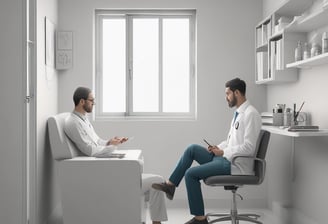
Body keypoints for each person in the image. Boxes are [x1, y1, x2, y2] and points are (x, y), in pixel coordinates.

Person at [152, 78, 262, 224]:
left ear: (237, 92)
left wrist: (223, 153)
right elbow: (230, 142)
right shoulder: (239, 113)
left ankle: (200, 219)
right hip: (226, 159)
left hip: (236, 166)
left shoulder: (251, 114)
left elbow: (249, 148)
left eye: (228, 94)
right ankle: (170, 185)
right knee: (192, 149)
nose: (226, 98)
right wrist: (219, 147)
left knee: (190, 174)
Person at [64, 86, 168, 224]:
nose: (94, 103)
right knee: (158, 181)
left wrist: (109, 142)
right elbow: (89, 150)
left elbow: (96, 141)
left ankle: (151, 219)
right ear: (82, 101)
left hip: (104, 163)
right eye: (91, 100)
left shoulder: (83, 119)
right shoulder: (72, 122)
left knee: (155, 184)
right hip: (102, 171)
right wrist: (112, 148)